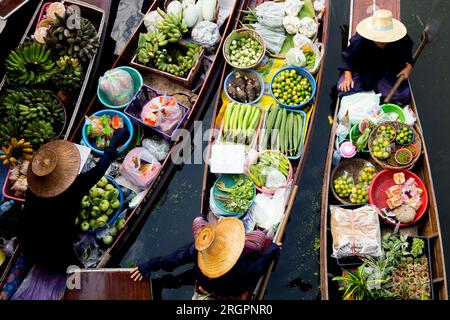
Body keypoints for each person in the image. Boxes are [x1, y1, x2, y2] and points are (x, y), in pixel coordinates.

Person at [18, 128, 128, 273]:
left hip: (27, 239)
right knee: (72, 267)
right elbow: (100, 168)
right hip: (54, 247)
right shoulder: (73, 188)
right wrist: (113, 143)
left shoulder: (34, 187)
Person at [130, 217, 281, 300]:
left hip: (205, 283)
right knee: (259, 238)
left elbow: (173, 259)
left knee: (198, 220)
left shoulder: (198, 250)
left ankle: (205, 220)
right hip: (229, 292)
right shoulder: (240, 264)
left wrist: (149, 265)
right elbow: (258, 268)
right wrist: (272, 250)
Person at [337, 9, 414, 104]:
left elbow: (408, 52)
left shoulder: (400, 39)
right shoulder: (360, 40)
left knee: (403, 96)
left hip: (387, 70)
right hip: (363, 70)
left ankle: (372, 98)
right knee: (344, 90)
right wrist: (348, 77)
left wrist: (409, 67)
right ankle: (370, 98)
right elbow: (348, 57)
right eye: (378, 40)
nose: (382, 44)